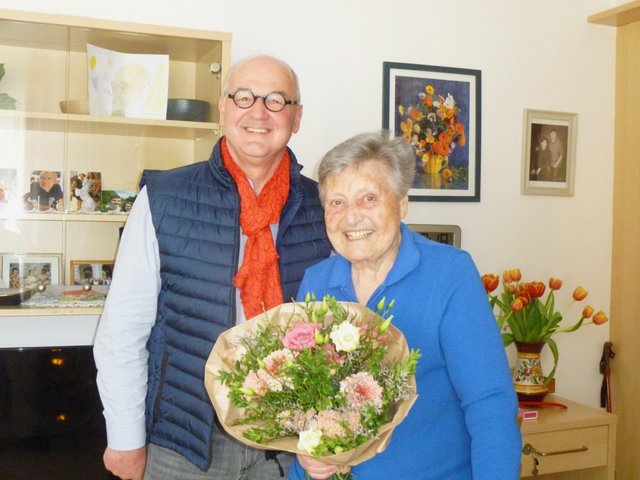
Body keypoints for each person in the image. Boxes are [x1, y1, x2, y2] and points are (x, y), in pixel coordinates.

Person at [93, 54, 332, 480]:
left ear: (296, 117)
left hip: (291, 444)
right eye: (243, 97)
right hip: (183, 441)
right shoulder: (165, 198)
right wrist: (124, 438)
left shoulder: (325, 206)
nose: (258, 112)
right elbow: (124, 329)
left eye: (277, 100)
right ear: (223, 107)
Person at [288, 131, 522, 480]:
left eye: (368, 198)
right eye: (336, 203)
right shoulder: (316, 282)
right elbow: (303, 402)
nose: (351, 217)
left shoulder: (449, 274)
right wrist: (309, 454)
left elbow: (489, 404)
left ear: (402, 203)